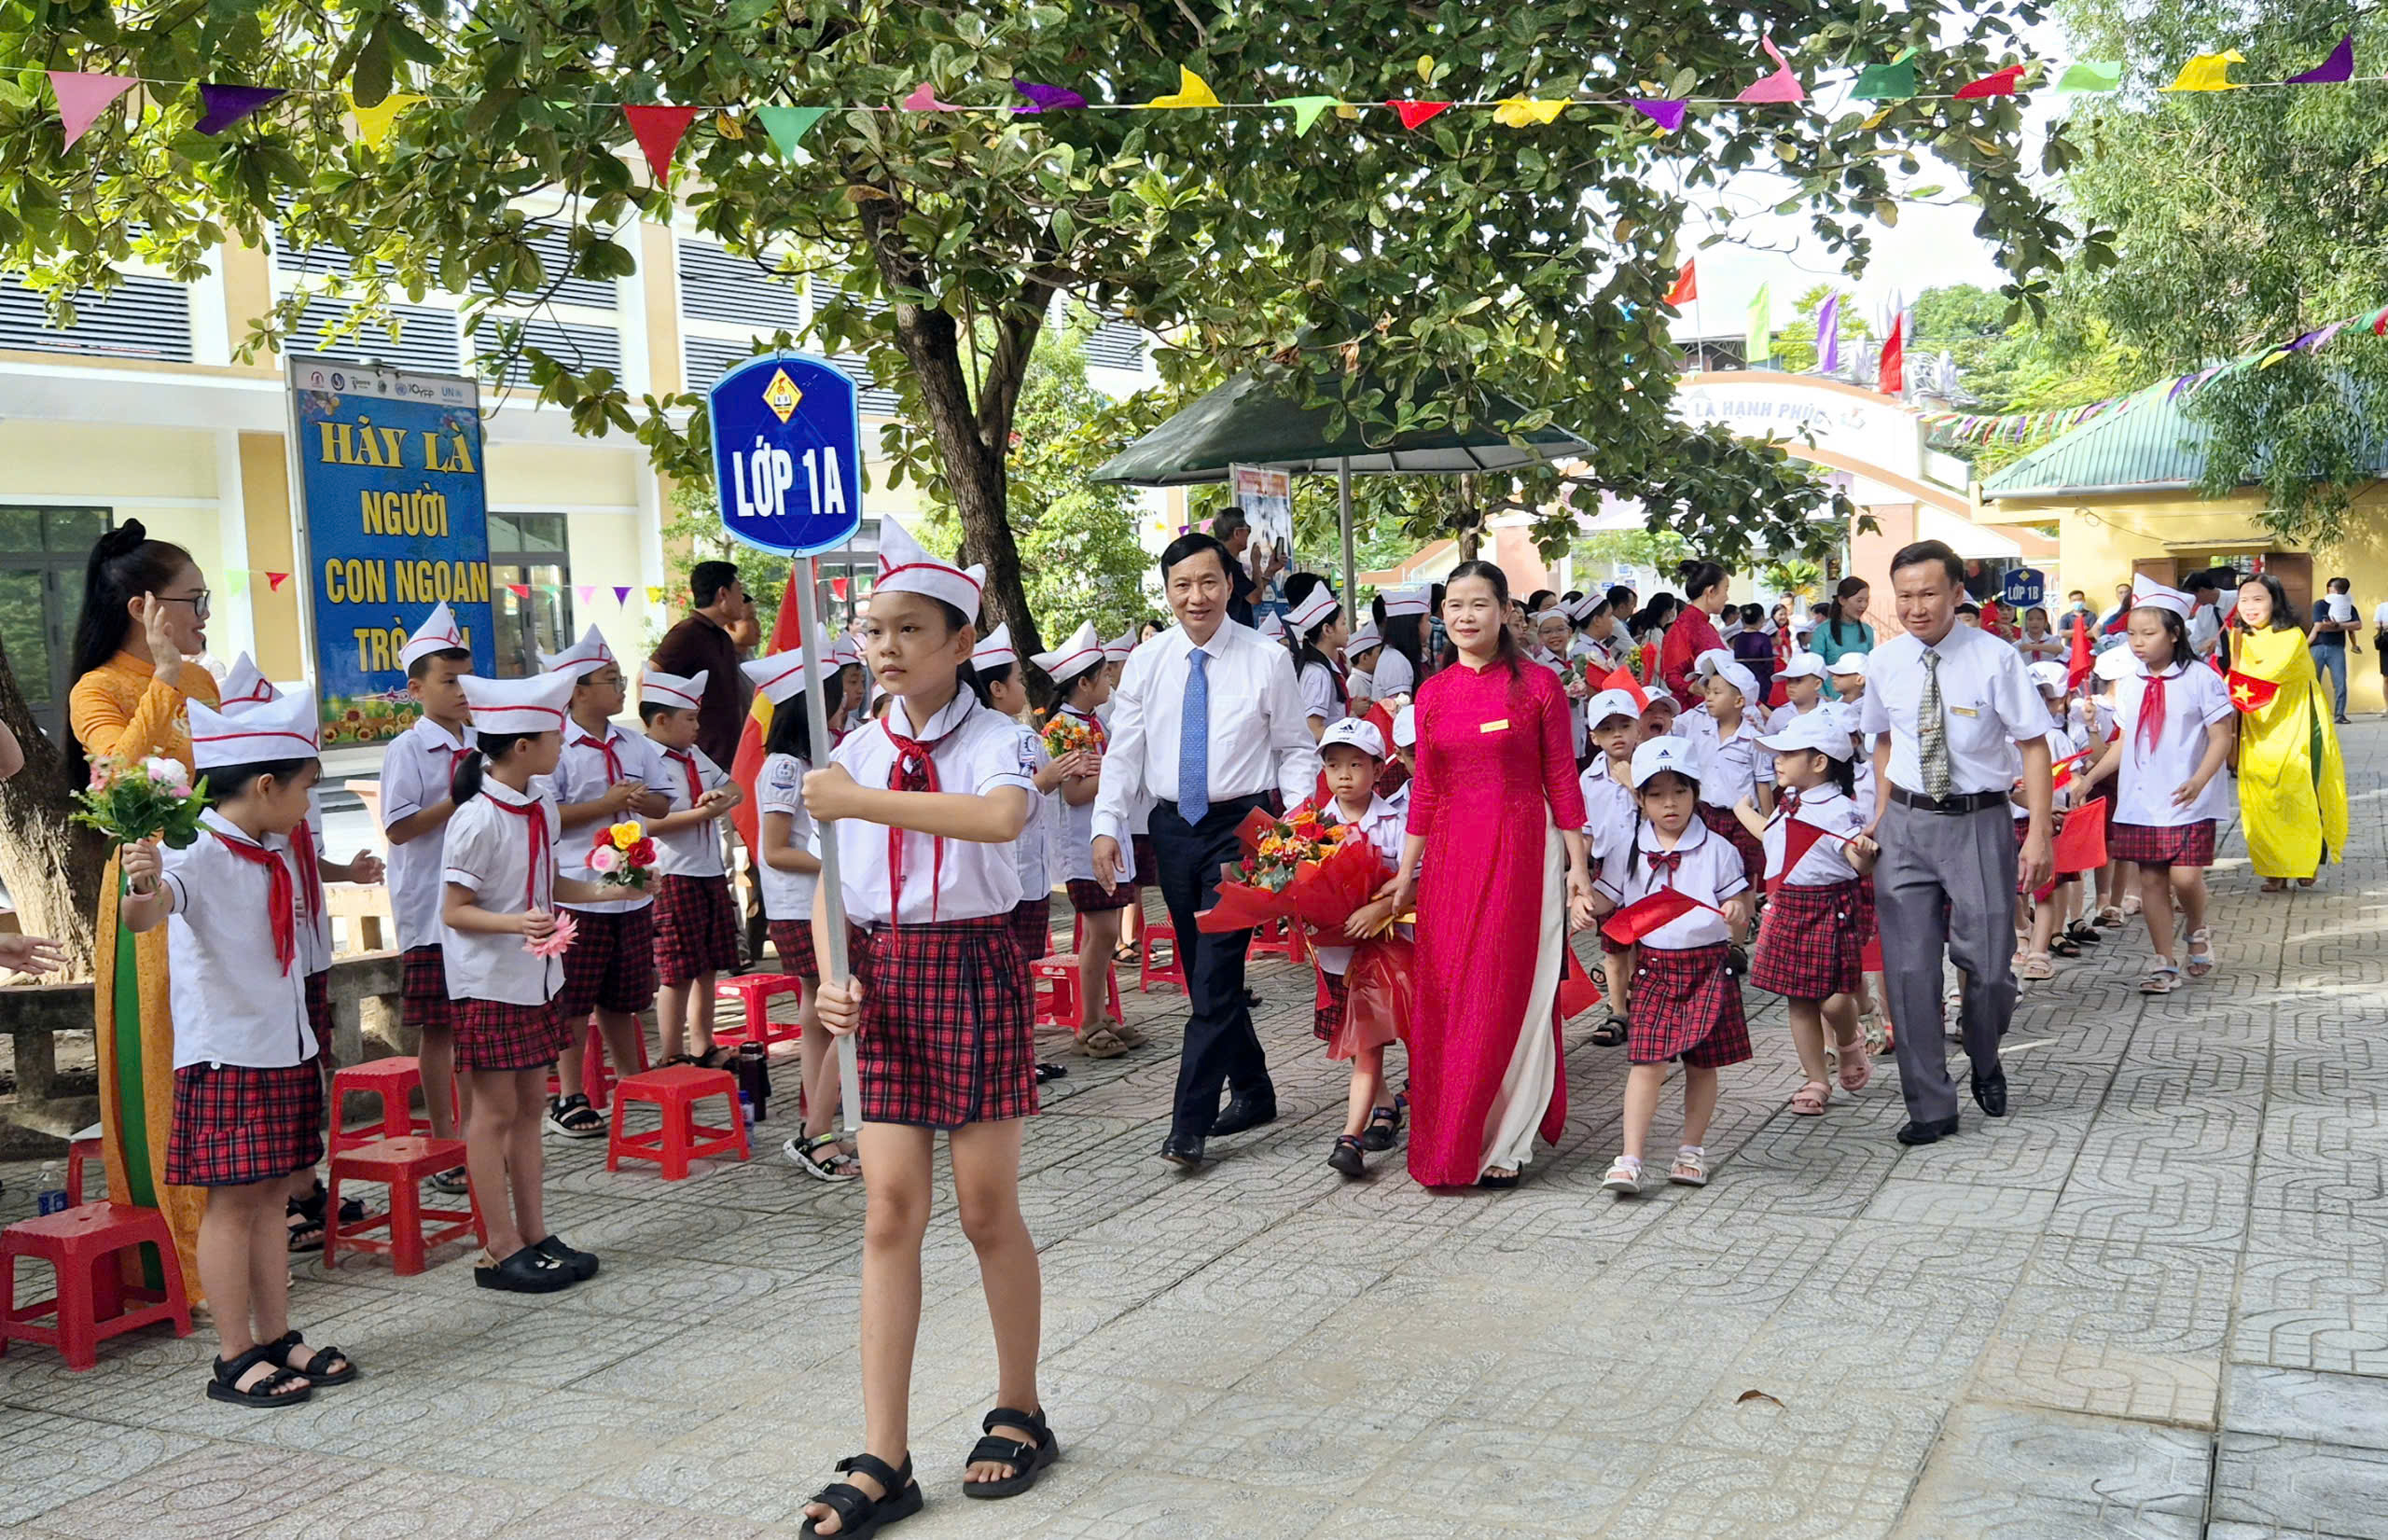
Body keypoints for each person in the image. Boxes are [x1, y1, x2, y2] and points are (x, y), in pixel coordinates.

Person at [797, 518, 1059, 1530]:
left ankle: (1019, 1406)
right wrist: (831, 979)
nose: (888, 647)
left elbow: (999, 820)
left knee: (987, 1210)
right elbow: (831, 886)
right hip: (883, 980)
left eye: (912, 628)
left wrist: (859, 799)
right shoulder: (853, 749)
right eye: (873, 630)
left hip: (974, 966)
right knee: (887, 1212)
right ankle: (884, 1453)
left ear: (962, 641)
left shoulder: (1002, 738)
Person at [118, 687, 360, 1408]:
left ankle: (278, 1334)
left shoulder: (272, 847)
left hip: (281, 1043)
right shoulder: (195, 852)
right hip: (229, 1053)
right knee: (232, 1204)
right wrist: (141, 883)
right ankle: (233, 1353)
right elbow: (147, 914)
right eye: (307, 788)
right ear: (265, 786)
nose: (309, 805)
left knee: (271, 1197)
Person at [1092, 532, 1319, 1166]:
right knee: (1203, 978)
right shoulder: (1147, 660)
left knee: (1217, 978)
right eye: (1182, 585)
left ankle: (1186, 1126)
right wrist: (1106, 825)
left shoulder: (1265, 658)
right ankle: (1253, 1088)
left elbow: (1296, 749)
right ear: (1166, 592)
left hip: (1240, 830)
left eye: (1209, 582)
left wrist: (1295, 826)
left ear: (1229, 584)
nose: (1197, 596)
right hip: (1172, 830)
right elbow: (1125, 754)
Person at [1387, 561, 1594, 1188]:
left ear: (1506, 611)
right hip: (1451, 857)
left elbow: (1562, 778)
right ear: (1440, 614)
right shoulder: (1434, 692)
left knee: (1515, 991)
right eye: (1454, 604)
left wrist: (1578, 869)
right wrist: (1405, 873)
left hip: (1522, 852)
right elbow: (1425, 789)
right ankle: (1457, 1133)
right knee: (1451, 993)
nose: (1465, 616)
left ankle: (1509, 1139)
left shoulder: (1537, 687)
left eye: (1479, 603)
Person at [68, 519, 219, 1291]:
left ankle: (234, 1234)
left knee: (218, 1051)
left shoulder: (204, 681)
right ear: (144, 607)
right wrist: (161, 678)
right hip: (144, 885)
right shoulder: (96, 689)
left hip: (213, 884)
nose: (201, 616)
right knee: (159, 1053)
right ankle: (173, 1261)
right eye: (193, 600)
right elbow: (118, 778)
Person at [1861, 540, 2053, 1146]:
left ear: (1955, 593)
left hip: (1978, 821)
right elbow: (1883, 740)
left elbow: (2033, 745)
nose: (1916, 607)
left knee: (1991, 967)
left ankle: (1985, 1051)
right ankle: (1930, 1105)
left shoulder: (1995, 658)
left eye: (1928, 593)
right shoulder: (1885, 662)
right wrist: (1879, 815)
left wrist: (2041, 831)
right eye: (1906, 595)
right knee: (1911, 970)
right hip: (1905, 827)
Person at [439, 672, 609, 1294]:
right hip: (488, 980)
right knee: (494, 1110)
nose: (562, 743)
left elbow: (550, 883)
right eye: (552, 734)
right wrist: (516, 921)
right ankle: (498, 1243)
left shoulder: (539, 802)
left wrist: (607, 890)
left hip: (537, 974)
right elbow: (454, 909)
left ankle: (536, 1232)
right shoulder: (476, 819)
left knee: (533, 1105)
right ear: (519, 746)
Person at [215, 656, 383, 1252]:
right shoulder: (244, 814)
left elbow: (305, 860)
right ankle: (289, 1198)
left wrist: (348, 870)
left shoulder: (286, 796)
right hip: (267, 972)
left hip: (307, 952)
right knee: (280, 1083)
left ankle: (304, 1187)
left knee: (310, 1069)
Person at [1589, 737, 1751, 1194]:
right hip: (1655, 968)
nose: (1670, 803)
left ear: (1695, 793)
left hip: (1708, 965)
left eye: (1679, 791)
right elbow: (1609, 898)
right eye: (1656, 794)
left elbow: (1736, 898)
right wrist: (1585, 903)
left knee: (1703, 1064)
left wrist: (1738, 911)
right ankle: (1630, 1156)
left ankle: (1691, 1149)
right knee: (1647, 1062)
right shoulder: (1627, 848)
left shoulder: (1718, 849)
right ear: (1639, 798)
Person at [2079, 576, 2236, 991]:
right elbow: (2124, 741)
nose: (2137, 642)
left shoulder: (2202, 678)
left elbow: (2223, 736)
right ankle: (2163, 961)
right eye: (2131, 633)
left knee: (2185, 879)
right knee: (2150, 880)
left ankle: (2197, 928)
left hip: (2189, 796)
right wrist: (2090, 779)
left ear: (2175, 632)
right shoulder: (2130, 683)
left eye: (2148, 633)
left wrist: (2200, 780)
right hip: (2142, 799)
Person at [542, 626, 668, 1136]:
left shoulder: (634, 743)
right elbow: (547, 816)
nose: (621, 689)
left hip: (630, 891)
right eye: (610, 680)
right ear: (578, 692)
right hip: (579, 891)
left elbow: (663, 801)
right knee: (574, 1000)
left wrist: (641, 802)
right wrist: (606, 804)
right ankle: (571, 1095)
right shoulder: (558, 748)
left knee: (624, 997)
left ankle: (633, 1083)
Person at [746, 647, 858, 1180]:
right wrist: (836, 864)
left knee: (819, 1014)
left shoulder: (812, 761)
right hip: (799, 905)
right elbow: (773, 848)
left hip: (821, 897)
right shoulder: (785, 766)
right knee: (825, 1009)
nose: (842, 711)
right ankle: (817, 1126)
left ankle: (818, 1114)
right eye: (834, 701)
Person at [380, 604, 476, 1191]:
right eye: (449, 680)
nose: (462, 690)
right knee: (440, 1028)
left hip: (480, 907)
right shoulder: (408, 751)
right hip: (430, 911)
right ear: (417, 689)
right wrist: (458, 799)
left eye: (467, 678)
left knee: (475, 1024)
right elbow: (398, 828)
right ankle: (446, 1138)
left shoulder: (483, 741)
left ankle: (478, 1133)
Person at [1742, 712, 1876, 1117]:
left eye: (1787, 753)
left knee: (1835, 1000)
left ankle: (1849, 1042)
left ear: (1819, 763)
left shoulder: (1838, 808)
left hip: (1830, 907)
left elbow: (1856, 860)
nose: (1777, 761)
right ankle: (1815, 1077)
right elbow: (1774, 837)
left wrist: (1865, 854)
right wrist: (1740, 811)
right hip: (1789, 905)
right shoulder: (1789, 802)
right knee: (1798, 1000)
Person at [1308, 719, 1410, 1179]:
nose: (1344, 775)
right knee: (1358, 1044)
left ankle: (1351, 1137)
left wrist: (1381, 908)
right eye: (1333, 765)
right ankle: (1385, 1106)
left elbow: (1418, 878)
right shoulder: (1309, 825)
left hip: (1391, 953)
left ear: (1377, 767)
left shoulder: (1399, 822)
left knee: (1373, 1042)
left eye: (1355, 764)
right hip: (1336, 953)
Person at [1036, 622, 1139, 1060]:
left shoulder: (1093, 721)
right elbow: (1075, 793)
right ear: (1083, 682)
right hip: (1083, 847)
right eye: (1103, 675)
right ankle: (1088, 1022)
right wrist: (1116, 773)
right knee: (1099, 936)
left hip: (1108, 839)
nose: (1110, 681)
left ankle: (1098, 1014)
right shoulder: (1063, 729)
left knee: (1106, 932)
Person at [640, 667, 745, 1065]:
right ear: (661, 720)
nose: (697, 727)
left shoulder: (694, 755)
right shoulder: (644, 758)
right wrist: (701, 814)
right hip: (673, 873)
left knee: (708, 965)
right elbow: (647, 823)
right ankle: (671, 1053)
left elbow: (732, 787)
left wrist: (722, 798)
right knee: (678, 967)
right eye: (689, 719)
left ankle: (704, 1045)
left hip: (708, 869)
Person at [2232, 573, 2348, 892]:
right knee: (2261, 797)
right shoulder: (2238, 637)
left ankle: (2305, 861)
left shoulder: (2292, 636)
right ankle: (2274, 868)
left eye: (2259, 599)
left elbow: (2261, 678)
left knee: (2297, 793)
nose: (2250, 607)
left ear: (2275, 602)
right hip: (2258, 729)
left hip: (2296, 723)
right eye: (2244, 600)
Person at [1577, 688, 1645, 1048]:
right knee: (1615, 945)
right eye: (1607, 728)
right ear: (1594, 737)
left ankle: (1646, 1004)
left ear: (1638, 729)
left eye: (1624, 725)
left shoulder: (1653, 768)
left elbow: (1668, 816)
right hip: (1609, 871)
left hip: (1652, 870)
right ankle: (1618, 1009)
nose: (1617, 734)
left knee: (1649, 944)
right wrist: (1579, 873)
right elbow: (1585, 833)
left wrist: (1633, 783)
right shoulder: (1588, 781)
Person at [648, 561, 755, 768]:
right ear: (723, 594)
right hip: (701, 757)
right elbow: (648, 676)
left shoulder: (722, 636)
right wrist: (658, 740)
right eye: (739, 591)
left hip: (728, 756)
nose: (742, 600)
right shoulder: (687, 633)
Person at [1683, 659, 1771, 887]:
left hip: (1741, 819)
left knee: (1743, 872)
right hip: (1704, 813)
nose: (1708, 697)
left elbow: (1763, 784)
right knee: (1704, 868)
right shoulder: (1699, 731)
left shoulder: (1753, 740)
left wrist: (1770, 826)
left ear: (1739, 701)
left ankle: (1746, 914)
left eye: (1717, 692)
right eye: (1708, 691)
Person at [1284, 577, 1349, 739]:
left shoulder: (1321, 668)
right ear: (1327, 629)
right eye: (1343, 623)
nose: (1347, 630)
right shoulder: (1317, 673)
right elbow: (1313, 729)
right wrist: (1347, 738)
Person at [1660, 562, 1731, 699]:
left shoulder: (1705, 626)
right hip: (1696, 710)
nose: (1727, 597)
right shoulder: (1684, 627)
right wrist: (1694, 688)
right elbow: (1672, 676)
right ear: (1711, 591)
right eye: (1726, 589)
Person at [1812, 577, 1876, 696]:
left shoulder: (1868, 631)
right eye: (1859, 600)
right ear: (1842, 600)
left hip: (1862, 700)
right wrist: (1824, 699)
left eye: (1866, 600)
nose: (1864, 605)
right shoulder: (1822, 631)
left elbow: (1871, 668)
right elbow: (1814, 670)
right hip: (1831, 701)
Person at [1215, 510, 1277, 629]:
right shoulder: (1228, 564)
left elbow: (1250, 591)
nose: (1249, 535)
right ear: (1237, 533)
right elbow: (1255, 597)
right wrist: (1256, 563)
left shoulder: (1219, 560)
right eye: (1248, 530)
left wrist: (1270, 570)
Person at [2310, 576, 2356, 724]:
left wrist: (2336, 625)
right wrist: (2340, 626)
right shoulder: (2320, 605)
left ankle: (2339, 715)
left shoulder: (2348, 607)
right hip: (2317, 646)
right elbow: (2319, 625)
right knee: (2313, 681)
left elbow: (2357, 625)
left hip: (2336, 647)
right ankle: (2311, 713)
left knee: (2340, 682)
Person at [1377, 588, 1428, 698]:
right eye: (1427, 620)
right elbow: (1399, 709)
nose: (1430, 626)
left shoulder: (1397, 657)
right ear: (1413, 625)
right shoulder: (1395, 661)